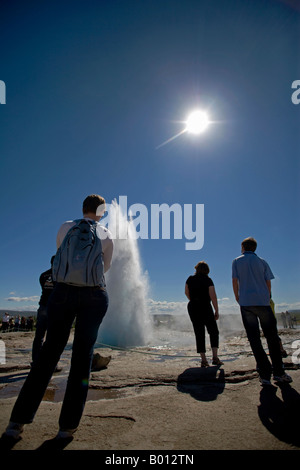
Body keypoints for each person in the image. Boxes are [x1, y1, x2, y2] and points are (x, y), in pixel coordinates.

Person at [3, 194, 113, 442]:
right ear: (101, 211)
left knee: (48, 354)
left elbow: (60, 259)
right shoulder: (106, 233)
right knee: (82, 357)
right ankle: (67, 428)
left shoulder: (65, 226)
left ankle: (16, 423)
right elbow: (105, 268)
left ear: (82, 208)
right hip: (94, 296)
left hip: (62, 293)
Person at [232, 237, 292, 386]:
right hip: (263, 303)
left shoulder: (236, 261)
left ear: (243, 247)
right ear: (255, 248)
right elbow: (268, 282)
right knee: (271, 337)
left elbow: (235, 281)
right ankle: (279, 372)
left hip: (246, 303)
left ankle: (264, 374)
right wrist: (267, 297)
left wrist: (238, 298)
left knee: (254, 339)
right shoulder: (262, 262)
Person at [185, 261, 223, 367]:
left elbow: (186, 292)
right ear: (207, 270)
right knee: (213, 331)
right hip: (205, 306)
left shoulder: (190, 279)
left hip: (193, 307)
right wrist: (216, 310)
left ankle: (204, 360)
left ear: (196, 269)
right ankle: (215, 357)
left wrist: (193, 301)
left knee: (199, 332)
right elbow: (213, 296)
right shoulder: (208, 280)